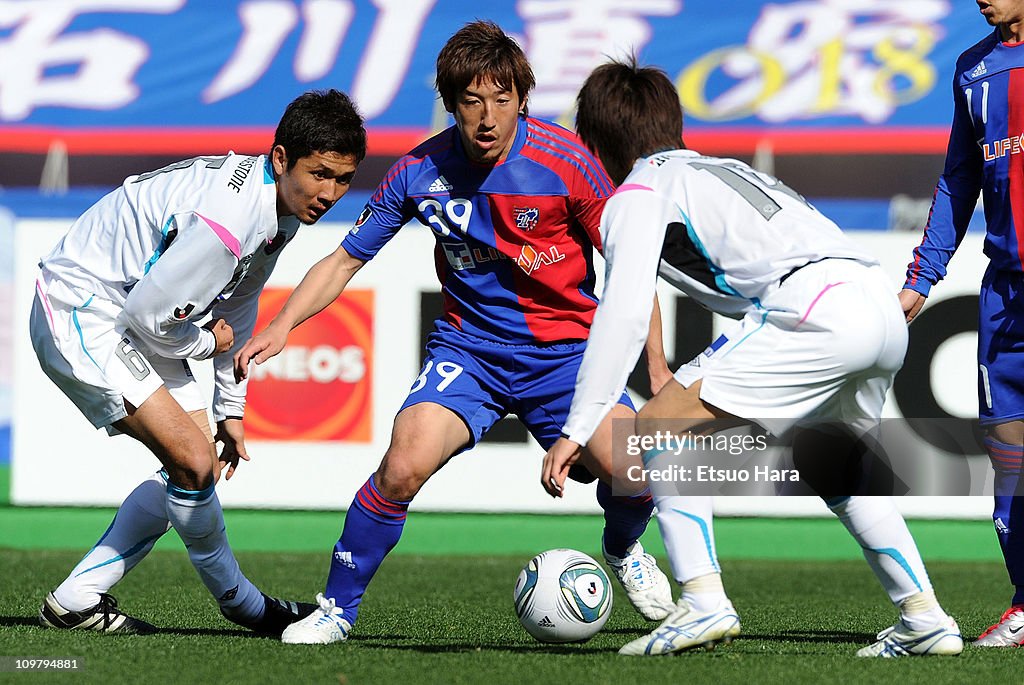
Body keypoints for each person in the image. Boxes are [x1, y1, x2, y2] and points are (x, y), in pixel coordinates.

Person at [234, 21, 674, 645]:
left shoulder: (569, 164)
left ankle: (624, 547)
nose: (488, 117)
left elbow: (633, 270)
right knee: (401, 465)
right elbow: (344, 260)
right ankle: (335, 610)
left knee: (636, 469)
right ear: (451, 104)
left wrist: (656, 370)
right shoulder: (419, 170)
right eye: (472, 101)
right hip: (471, 353)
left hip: (568, 355)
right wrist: (281, 324)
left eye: (501, 99)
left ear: (522, 98)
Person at [541, 58, 963, 658]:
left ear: (596, 144)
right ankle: (925, 617)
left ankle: (702, 601)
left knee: (658, 429)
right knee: (836, 464)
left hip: (813, 309)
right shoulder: (721, 169)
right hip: (872, 301)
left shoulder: (636, 192)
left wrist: (577, 426)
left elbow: (623, 311)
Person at [30, 89, 366, 635]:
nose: (330, 192)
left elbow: (240, 300)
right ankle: (243, 605)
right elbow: (149, 317)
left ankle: (74, 600)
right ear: (280, 159)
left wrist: (230, 406)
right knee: (190, 458)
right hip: (81, 307)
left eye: (344, 178)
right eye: (320, 173)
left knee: (198, 461)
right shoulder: (228, 220)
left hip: (125, 306)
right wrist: (207, 343)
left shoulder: (275, 204)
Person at [901, 0, 1024, 647]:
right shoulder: (972, 70)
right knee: (1011, 458)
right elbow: (958, 180)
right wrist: (922, 277)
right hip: (1005, 295)